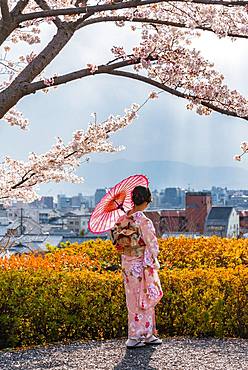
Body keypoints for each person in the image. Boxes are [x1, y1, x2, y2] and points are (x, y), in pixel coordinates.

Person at [111, 185, 163, 349]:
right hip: (140, 264)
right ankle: (140, 335)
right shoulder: (143, 220)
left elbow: (116, 239)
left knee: (132, 299)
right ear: (147, 201)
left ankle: (141, 335)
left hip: (127, 263)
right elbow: (152, 244)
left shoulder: (123, 218)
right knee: (145, 297)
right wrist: (153, 256)